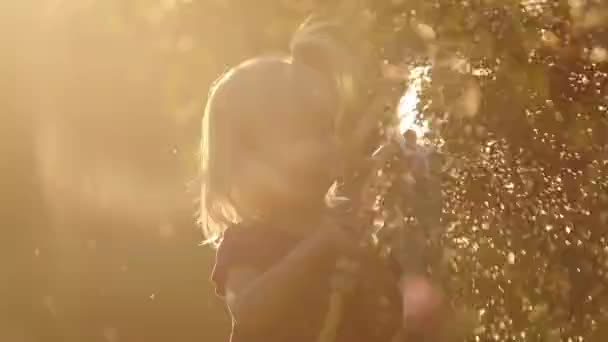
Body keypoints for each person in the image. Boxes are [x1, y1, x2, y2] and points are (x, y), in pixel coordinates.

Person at [200, 20, 440, 342]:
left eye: (329, 129)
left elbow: (381, 316)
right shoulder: (249, 241)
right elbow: (248, 312)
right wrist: (316, 250)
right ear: (251, 157)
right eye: (310, 131)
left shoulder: (346, 229)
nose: (331, 145)